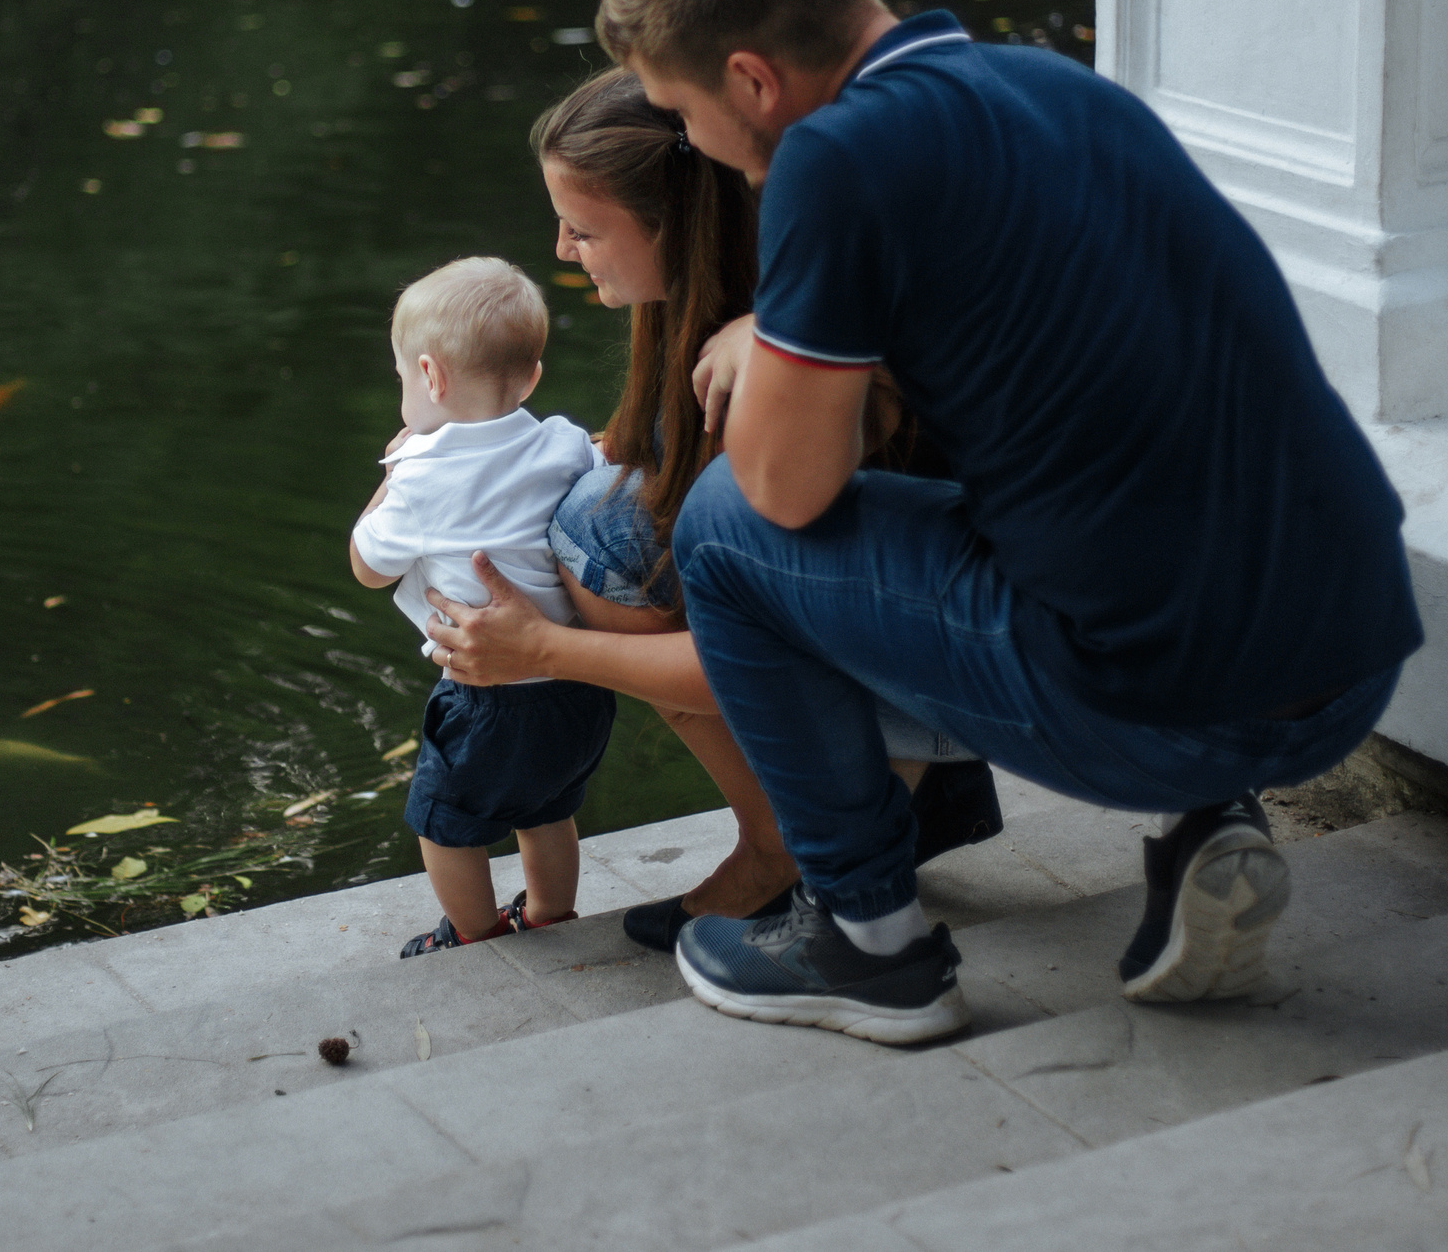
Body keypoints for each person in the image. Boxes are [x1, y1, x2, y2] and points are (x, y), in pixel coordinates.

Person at [594, 0, 1423, 1045]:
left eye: (681, 111)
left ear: (750, 79)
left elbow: (789, 492)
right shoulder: (1057, 85)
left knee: (724, 529)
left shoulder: (834, 159)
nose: (691, 143)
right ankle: (1206, 823)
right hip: (1355, 651)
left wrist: (766, 333)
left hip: (1174, 711)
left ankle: (867, 943)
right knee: (1072, 463)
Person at [415, 69, 1006, 954]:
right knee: (618, 500)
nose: (565, 250)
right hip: (910, 620)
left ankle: (797, 839)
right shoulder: (736, 303)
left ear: (675, 224)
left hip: (960, 644)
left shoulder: (775, 384)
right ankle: (909, 794)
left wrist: (542, 650)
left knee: (598, 536)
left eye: (583, 228)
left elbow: (764, 637)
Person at [348, 256, 612, 956]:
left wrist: (392, 471)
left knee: (441, 823)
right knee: (548, 808)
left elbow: (368, 567)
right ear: (530, 378)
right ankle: (553, 913)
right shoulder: (562, 442)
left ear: (429, 376)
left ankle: (474, 932)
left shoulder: (422, 476)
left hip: (488, 697)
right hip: (580, 685)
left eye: (403, 376)